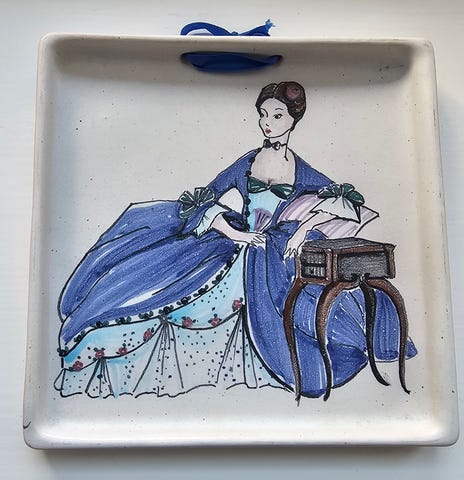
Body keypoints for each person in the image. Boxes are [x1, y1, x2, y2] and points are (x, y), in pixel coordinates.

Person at [55, 81, 416, 399]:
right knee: (167, 287)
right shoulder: (247, 162)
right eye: (263, 115)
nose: (267, 123)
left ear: (294, 119)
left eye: (277, 115)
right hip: (237, 241)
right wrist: (234, 232)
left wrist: (303, 229)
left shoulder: (303, 170)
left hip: (274, 247)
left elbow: (345, 203)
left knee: (296, 300)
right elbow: (204, 198)